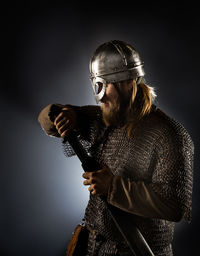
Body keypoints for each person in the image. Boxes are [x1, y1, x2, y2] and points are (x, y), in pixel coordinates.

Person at [38, 40, 194, 256]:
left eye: (105, 85)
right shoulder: (106, 120)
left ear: (129, 82)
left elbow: (176, 205)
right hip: (93, 247)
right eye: (96, 85)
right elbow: (47, 121)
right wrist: (64, 113)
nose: (99, 96)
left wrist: (113, 187)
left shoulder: (169, 135)